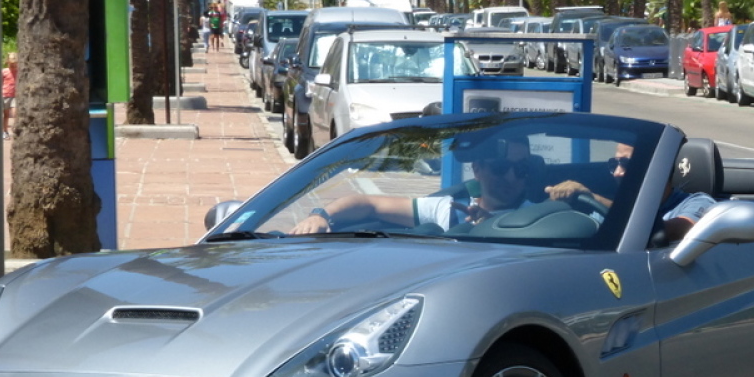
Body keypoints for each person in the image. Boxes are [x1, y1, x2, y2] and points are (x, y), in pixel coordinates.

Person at [291, 137, 541, 234]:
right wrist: (320, 216)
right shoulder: (449, 209)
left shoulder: (538, 215)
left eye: (520, 169)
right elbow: (368, 203)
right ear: (477, 169)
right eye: (500, 168)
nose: (511, 177)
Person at [545, 142, 715, 241]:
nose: (618, 172)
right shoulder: (608, 205)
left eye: (627, 164)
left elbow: (671, 231)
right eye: (614, 164)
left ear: (659, 167)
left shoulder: (698, 203)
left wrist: (594, 198)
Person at [0, 52, 17, 140]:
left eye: (14, 64)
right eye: (11, 64)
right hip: (5, 95)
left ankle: (16, 128)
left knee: (15, 113)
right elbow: (0, 82)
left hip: (15, 96)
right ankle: (5, 131)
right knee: (6, 115)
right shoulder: (4, 71)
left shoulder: (19, 71)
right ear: (8, 62)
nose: (13, 65)